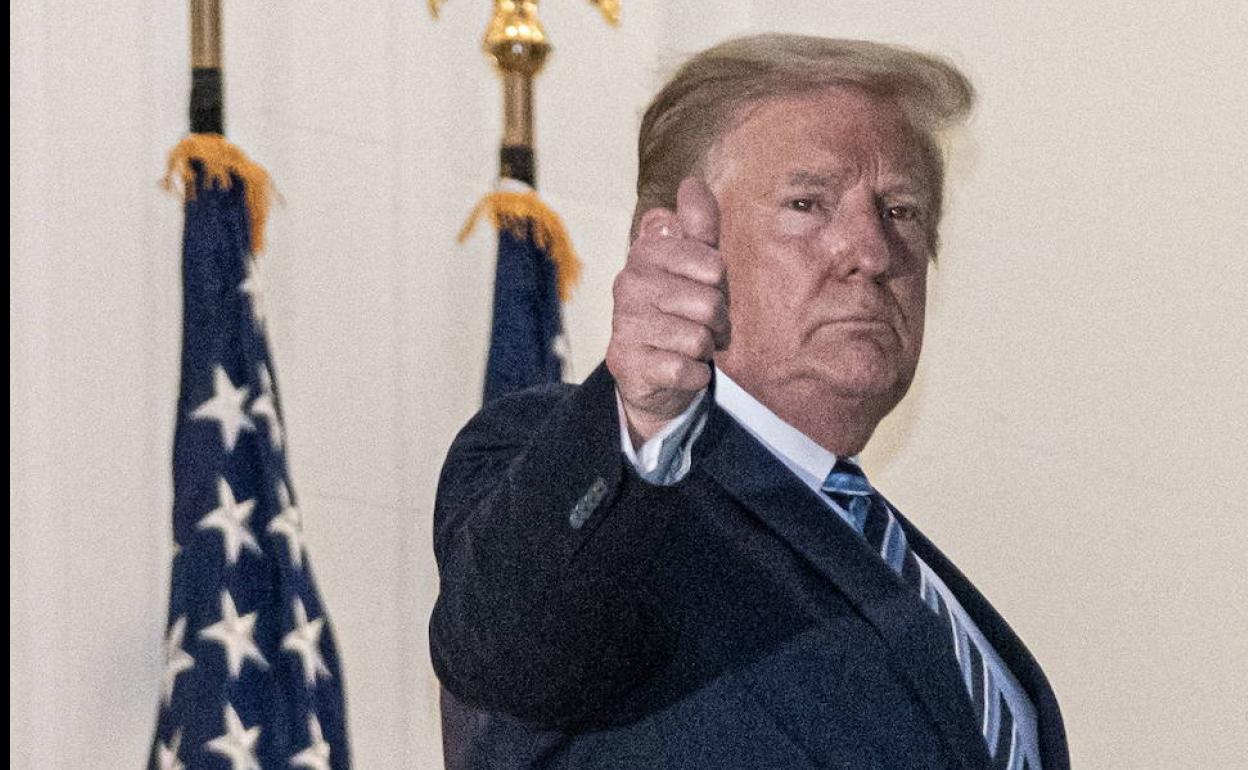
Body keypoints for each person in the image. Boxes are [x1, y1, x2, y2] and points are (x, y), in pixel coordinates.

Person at [430, 34, 1069, 769]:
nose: (871, 252)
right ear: (675, 244)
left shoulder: (919, 582)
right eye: (807, 204)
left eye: (901, 211)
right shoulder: (598, 468)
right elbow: (506, 654)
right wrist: (641, 419)